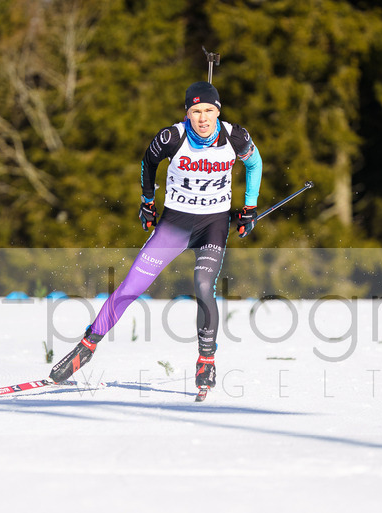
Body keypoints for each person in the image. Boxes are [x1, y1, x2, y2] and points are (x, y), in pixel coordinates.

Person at [49, 80, 262, 393]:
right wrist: (147, 201)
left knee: (204, 285)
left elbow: (254, 163)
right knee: (131, 286)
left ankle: (206, 360)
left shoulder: (235, 135)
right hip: (175, 224)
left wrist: (250, 207)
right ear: (187, 113)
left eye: (209, 111)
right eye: (196, 111)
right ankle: (86, 347)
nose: (203, 118)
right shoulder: (171, 137)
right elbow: (148, 162)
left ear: (218, 111)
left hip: (213, 225)